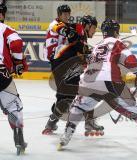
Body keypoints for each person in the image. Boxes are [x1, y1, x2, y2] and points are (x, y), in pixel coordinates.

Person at [57, 19, 137, 152]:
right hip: (110, 81)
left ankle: (66, 135)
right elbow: (132, 62)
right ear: (115, 31)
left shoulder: (97, 46)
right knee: (136, 111)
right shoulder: (117, 43)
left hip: (89, 81)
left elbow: (88, 64)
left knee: (78, 107)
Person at [42, 4, 104, 135]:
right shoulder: (59, 25)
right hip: (61, 63)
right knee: (69, 97)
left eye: (68, 13)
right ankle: (53, 121)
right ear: (87, 26)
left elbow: (80, 49)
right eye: (94, 28)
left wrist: (90, 52)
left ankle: (86, 122)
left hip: (66, 64)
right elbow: (64, 31)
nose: (95, 31)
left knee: (82, 93)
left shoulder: (76, 31)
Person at [0, 3, 28, 155]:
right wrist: (17, 62)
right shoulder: (5, 28)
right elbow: (16, 43)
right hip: (1, 74)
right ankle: (19, 140)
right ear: (2, 14)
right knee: (13, 106)